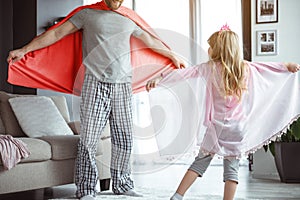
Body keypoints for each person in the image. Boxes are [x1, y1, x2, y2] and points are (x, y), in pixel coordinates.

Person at [7, 0, 185, 199]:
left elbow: (151, 41)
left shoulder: (128, 17)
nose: (119, 2)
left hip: (122, 86)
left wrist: (172, 55)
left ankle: (123, 184)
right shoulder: (87, 15)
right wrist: (24, 50)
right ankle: (86, 189)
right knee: (89, 141)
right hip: (95, 84)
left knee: (124, 138)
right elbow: (56, 33)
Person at [146, 27, 300, 200]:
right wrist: (287, 66)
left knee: (200, 162)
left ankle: (177, 195)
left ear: (218, 49)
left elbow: (182, 74)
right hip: (237, 128)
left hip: (216, 127)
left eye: (210, 46)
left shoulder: (208, 68)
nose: (208, 50)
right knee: (232, 169)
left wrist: (160, 78)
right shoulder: (244, 68)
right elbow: (267, 68)